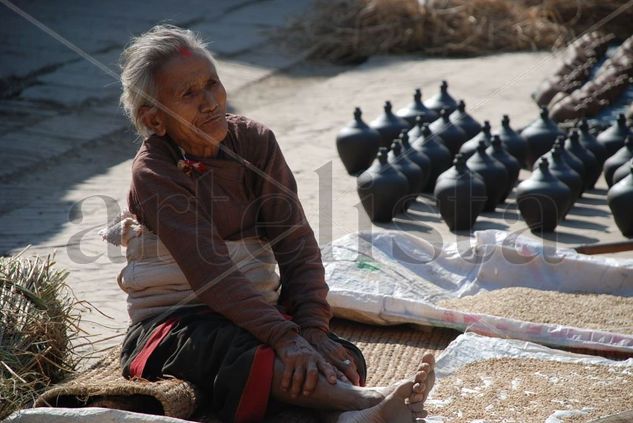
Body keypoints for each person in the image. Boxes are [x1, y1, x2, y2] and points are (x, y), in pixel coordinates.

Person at [116, 24, 435, 423]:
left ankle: (353, 400)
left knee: (337, 356)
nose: (209, 101)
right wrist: (285, 337)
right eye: (188, 94)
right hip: (179, 319)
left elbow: (296, 243)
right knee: (247, 357)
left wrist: (312, 329)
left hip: (252, 306)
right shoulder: (155, 171)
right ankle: (364, 403)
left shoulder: (254, 142)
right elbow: (211, 272)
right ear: (155, 119)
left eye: (212, 84)